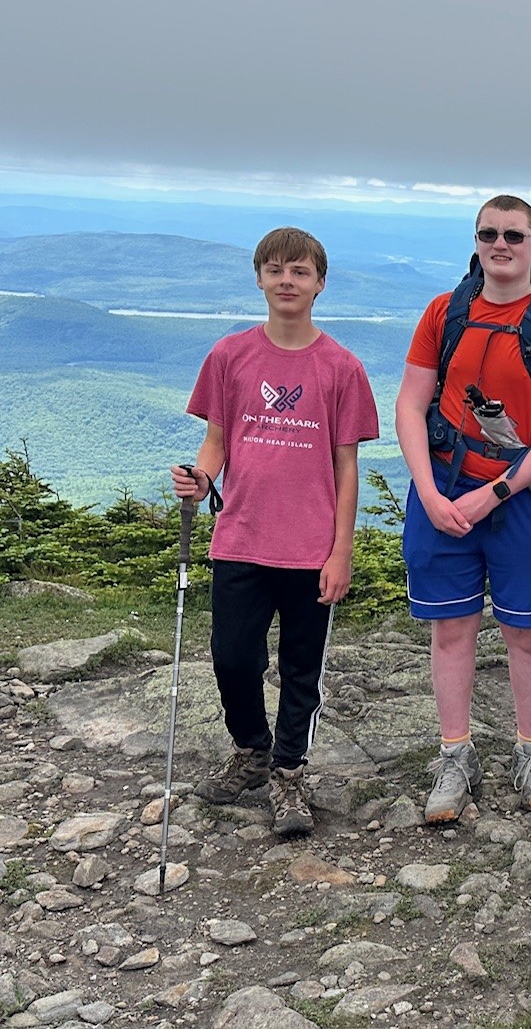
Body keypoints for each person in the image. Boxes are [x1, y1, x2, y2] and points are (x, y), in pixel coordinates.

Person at [172, 226, 380, 837]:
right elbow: (217, 442)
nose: (287, 281)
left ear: (320, 284)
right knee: (232, 657)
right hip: (241, 536)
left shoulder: (342, 367)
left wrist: (341, 551)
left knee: (300, 668)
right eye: (276, 270)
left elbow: (346, 466)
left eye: (300, 271)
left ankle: (289, 772)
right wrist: (202, 480)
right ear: (260, 278)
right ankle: (251, 750)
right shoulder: (230, 355)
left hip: (311, 547)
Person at [394, 195, 531, 821]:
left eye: (513, 235)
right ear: (475, 242)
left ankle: (530, 751)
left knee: (527, 633)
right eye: (488, 234)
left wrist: (495, 491)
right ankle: (456, 755)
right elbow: (410, 404)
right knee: (451, 630)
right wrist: (429, 493)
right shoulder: (444, 312)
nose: (499, 245)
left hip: (524, 497)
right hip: (445, 486)